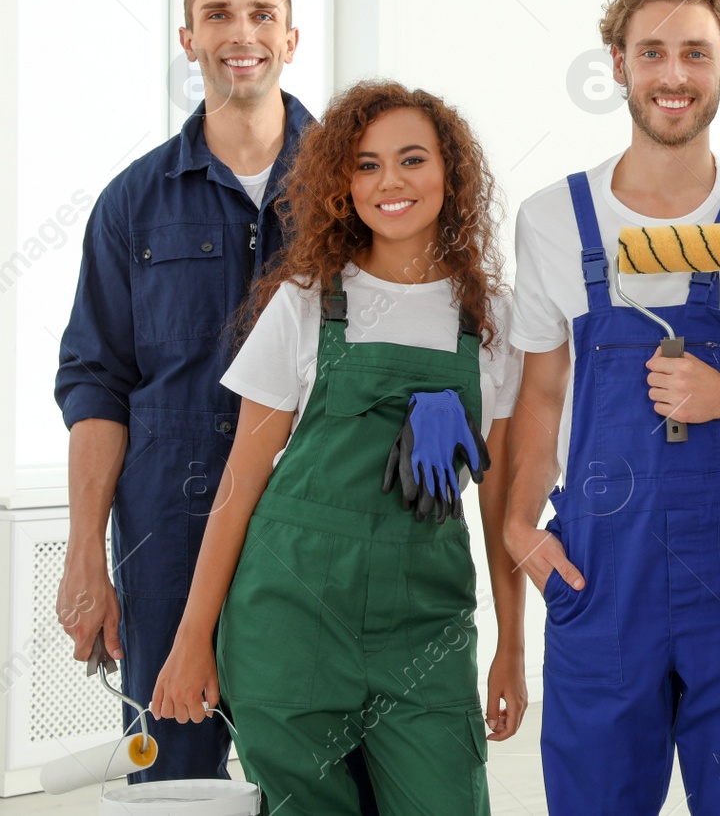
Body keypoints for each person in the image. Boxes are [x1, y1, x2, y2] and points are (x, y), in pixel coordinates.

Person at [501, 0, 720, 815]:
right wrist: (514, 528)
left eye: (694, 52)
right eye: (651, 52)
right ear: (618, 64)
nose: (672, 74)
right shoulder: (551, 218)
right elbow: (538, 395)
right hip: (603, 568)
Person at [149, 81, 527, 815]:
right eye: (366, 165)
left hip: (425, 626)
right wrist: (192, 635)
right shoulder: (307, 300)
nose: (390, 181)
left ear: (450, 174)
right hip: (289, 617)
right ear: (340, 184)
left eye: (412, 159)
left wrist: (512, 643)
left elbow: (502, 505)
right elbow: (240, 482)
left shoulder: (491, 321)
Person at [54, 0, 314, 782]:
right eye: (218, 15)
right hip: (168, 528)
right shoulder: (133, 200)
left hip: (317, 519)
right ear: (189, 38)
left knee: (320, 778)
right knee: (175, 776)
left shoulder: (354, 187)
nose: (241, 32)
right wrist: (87, 551)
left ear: (290, 35)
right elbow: (98, 380)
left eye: (260, 13)